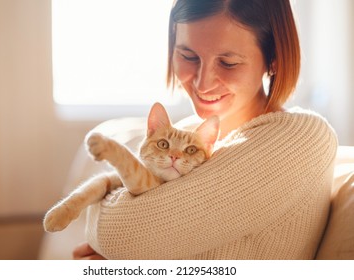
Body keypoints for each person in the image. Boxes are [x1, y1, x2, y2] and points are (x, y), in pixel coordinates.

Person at [74, 0, 338, 259]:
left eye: (229, 62)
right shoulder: (186, 134)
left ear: (273, 59)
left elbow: (120, 235)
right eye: (187, 56)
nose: (203, 83)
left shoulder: (301, 138)